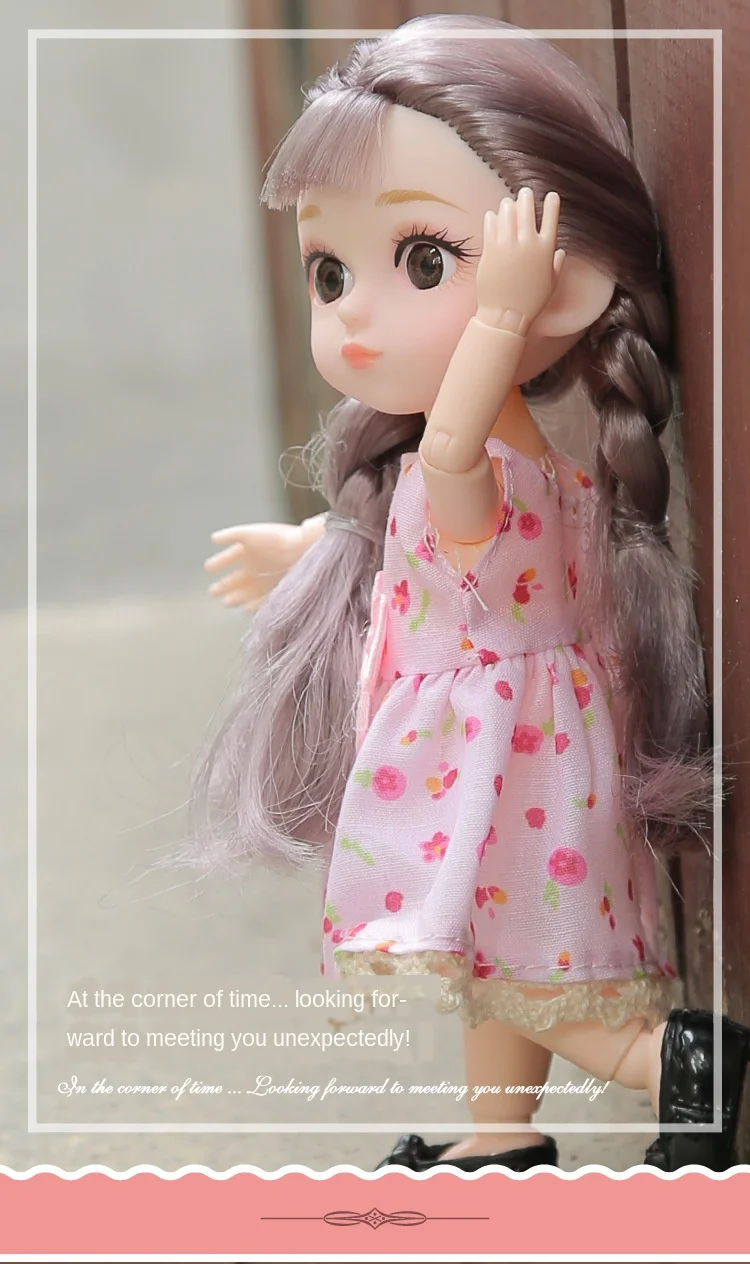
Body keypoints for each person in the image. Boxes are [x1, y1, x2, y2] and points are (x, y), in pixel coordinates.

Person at [192, 15, 749, 1171]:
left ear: (561, 284)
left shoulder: (480, 466)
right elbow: (425, 551)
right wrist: (308, 549)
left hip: (501, 772)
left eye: (423, 260)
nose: (351, 314)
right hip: (508, 764)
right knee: (498, 968)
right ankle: (504, 1136)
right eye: (329, 272)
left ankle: (681, 1061)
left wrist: (497, 313)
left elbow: (445, 467)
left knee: (538, 984)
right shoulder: (531, 480)